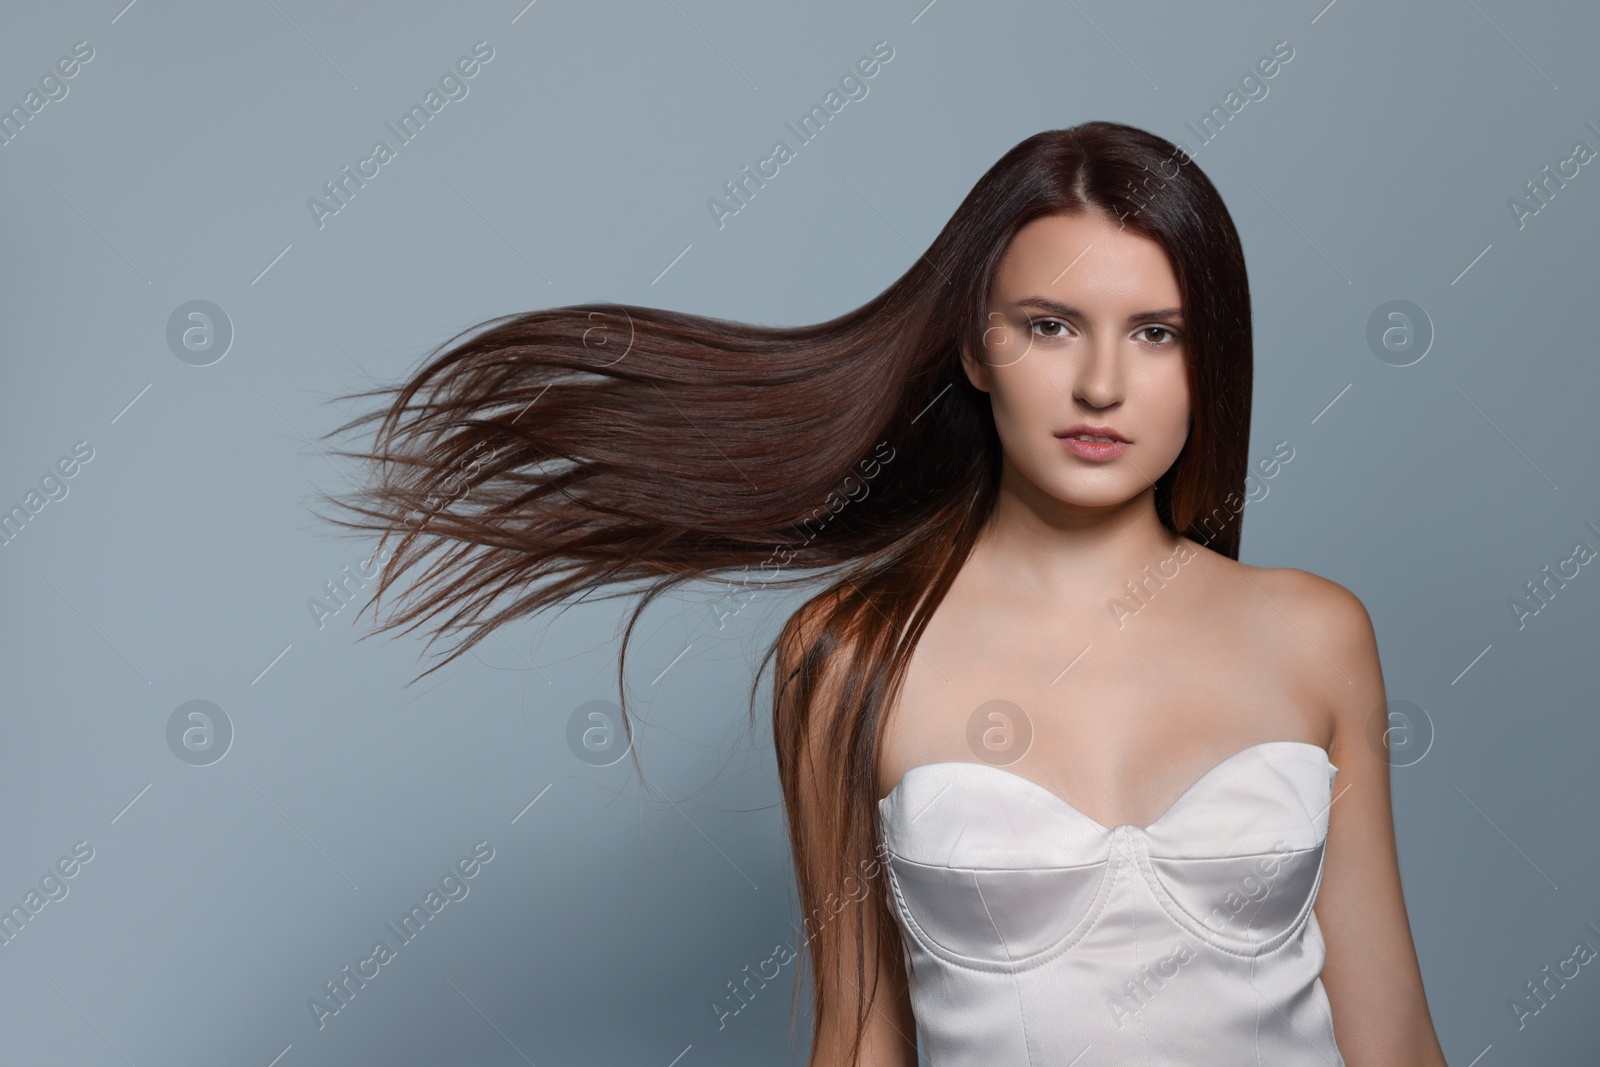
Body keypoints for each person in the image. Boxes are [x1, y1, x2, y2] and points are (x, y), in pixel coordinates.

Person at [320, 121, 1448, 1065]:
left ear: (1209, 362)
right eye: (1049, 326)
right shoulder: (852, 653)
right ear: (974, 345)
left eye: (1155, 334)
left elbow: (1390, 1030)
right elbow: (860, 1038)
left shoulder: (1311, 635)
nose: (1102, 382)